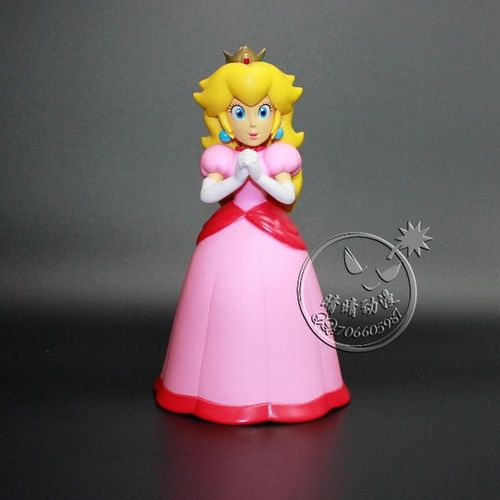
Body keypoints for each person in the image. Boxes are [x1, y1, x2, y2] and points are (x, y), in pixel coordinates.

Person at [154, 46, 350, 424]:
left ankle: (297, 388)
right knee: (224, 305)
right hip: (226, 237)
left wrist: (258, 176)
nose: (252, 123)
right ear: (224, 118)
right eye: (239, 112)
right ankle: (212, 388)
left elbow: (287, 196)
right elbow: (208, 194)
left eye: (262, 111)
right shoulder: (221, 157)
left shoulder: (279, 157)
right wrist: (237, 176)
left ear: (276, 114)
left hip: (274, 237)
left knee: (284, 308)